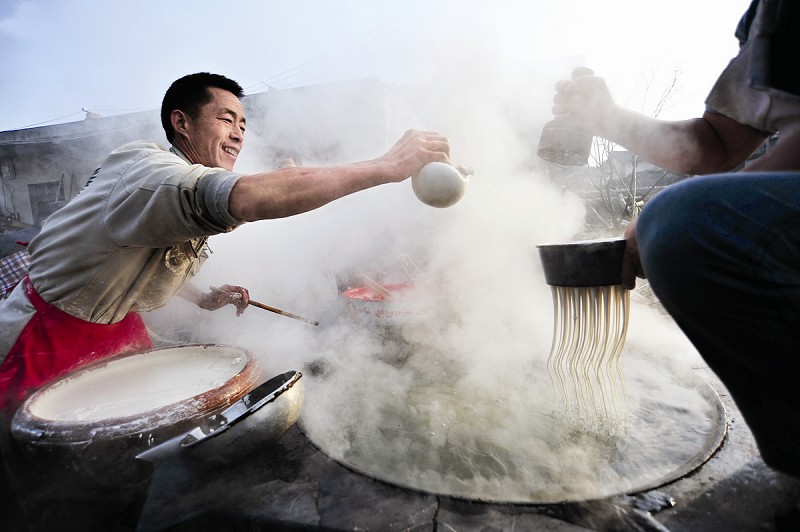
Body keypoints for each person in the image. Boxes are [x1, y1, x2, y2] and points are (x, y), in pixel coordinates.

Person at [0, 72, 450, 412]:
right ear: (181, 123)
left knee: (124, 447)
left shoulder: (169, 188)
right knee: (44, 457)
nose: (238, 133)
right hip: (46, 333)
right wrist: (386, 166)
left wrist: (202, 297)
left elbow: (142, 255)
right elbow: (247, 198)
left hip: (118, 325)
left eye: (243, 124)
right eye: (225, 118)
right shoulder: (149, 172)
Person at [547, 0, 800, 477]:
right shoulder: (770, 14)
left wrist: (659, 219)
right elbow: (715, 143)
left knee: (685, 219)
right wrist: (607, 118)